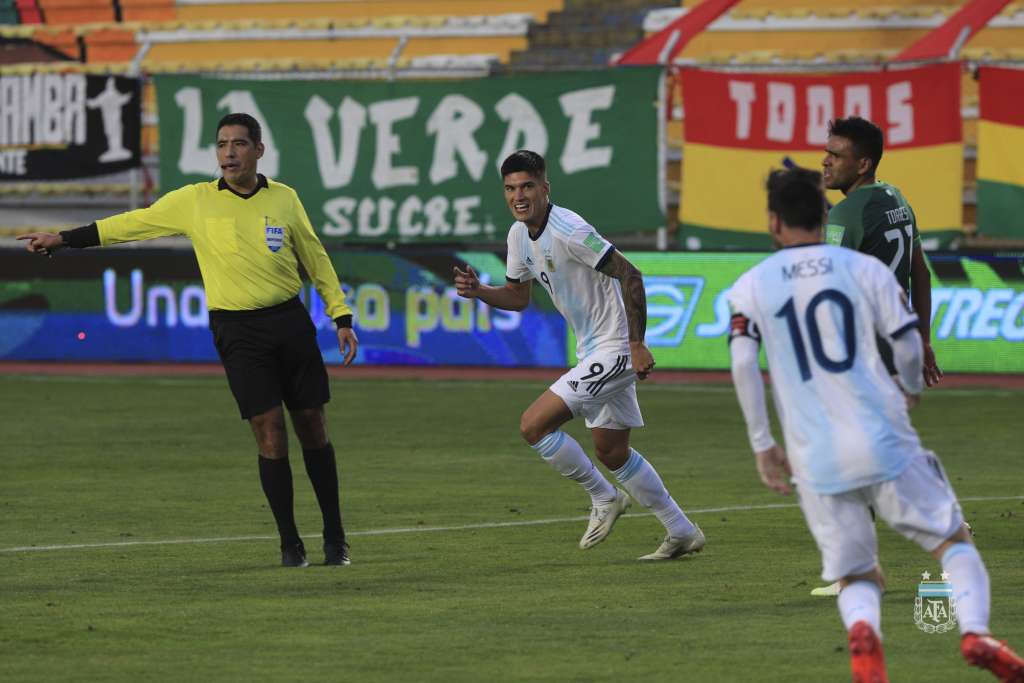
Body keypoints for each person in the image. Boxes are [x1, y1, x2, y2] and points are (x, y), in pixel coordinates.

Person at [18, 113, 358, 569]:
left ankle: (335, 537)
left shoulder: (285, 199)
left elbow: (315, 258)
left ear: (259, 149)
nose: (229, 152)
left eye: (239, 143)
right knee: (269, 432)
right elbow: (130, 224)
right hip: (237, 330)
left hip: (289, 323)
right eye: (222, 144)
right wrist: (63, 238)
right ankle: (289, 542)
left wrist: (341, 314)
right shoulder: (194, 201)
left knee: (313, 426)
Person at [727, 167, 1023, 683]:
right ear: (824, 215)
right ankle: (974, 631)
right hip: (881, 433)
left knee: (857, 573)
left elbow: (741, 364)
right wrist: (908, 385)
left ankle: (865, 636)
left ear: (773, 222)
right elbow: (908, 342)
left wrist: (762, 443)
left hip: (813, 455)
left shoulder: (750, 286)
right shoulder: (864, 271)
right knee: (952, 541)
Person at [453, 150, 704, 560]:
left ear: (545, 188)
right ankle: (681, 530)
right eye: (511, 188)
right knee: (611, 450)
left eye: (527, 186)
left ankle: (604, 497)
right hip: (592, 349)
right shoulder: (518, 235)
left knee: (533, 425)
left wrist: (636, 344)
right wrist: (479, 291)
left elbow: (630, 273)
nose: (519, 196)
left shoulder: (569, 229)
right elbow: (518, 297)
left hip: (616, 347)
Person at [814, 115, 948, 598]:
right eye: (826, 151)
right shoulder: (896, 198)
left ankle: (861, 565)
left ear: (862, 163)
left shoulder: (848, 215)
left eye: (836, 154)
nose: (825, 161)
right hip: (897, 340)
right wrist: (923, 338)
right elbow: (922, 273)